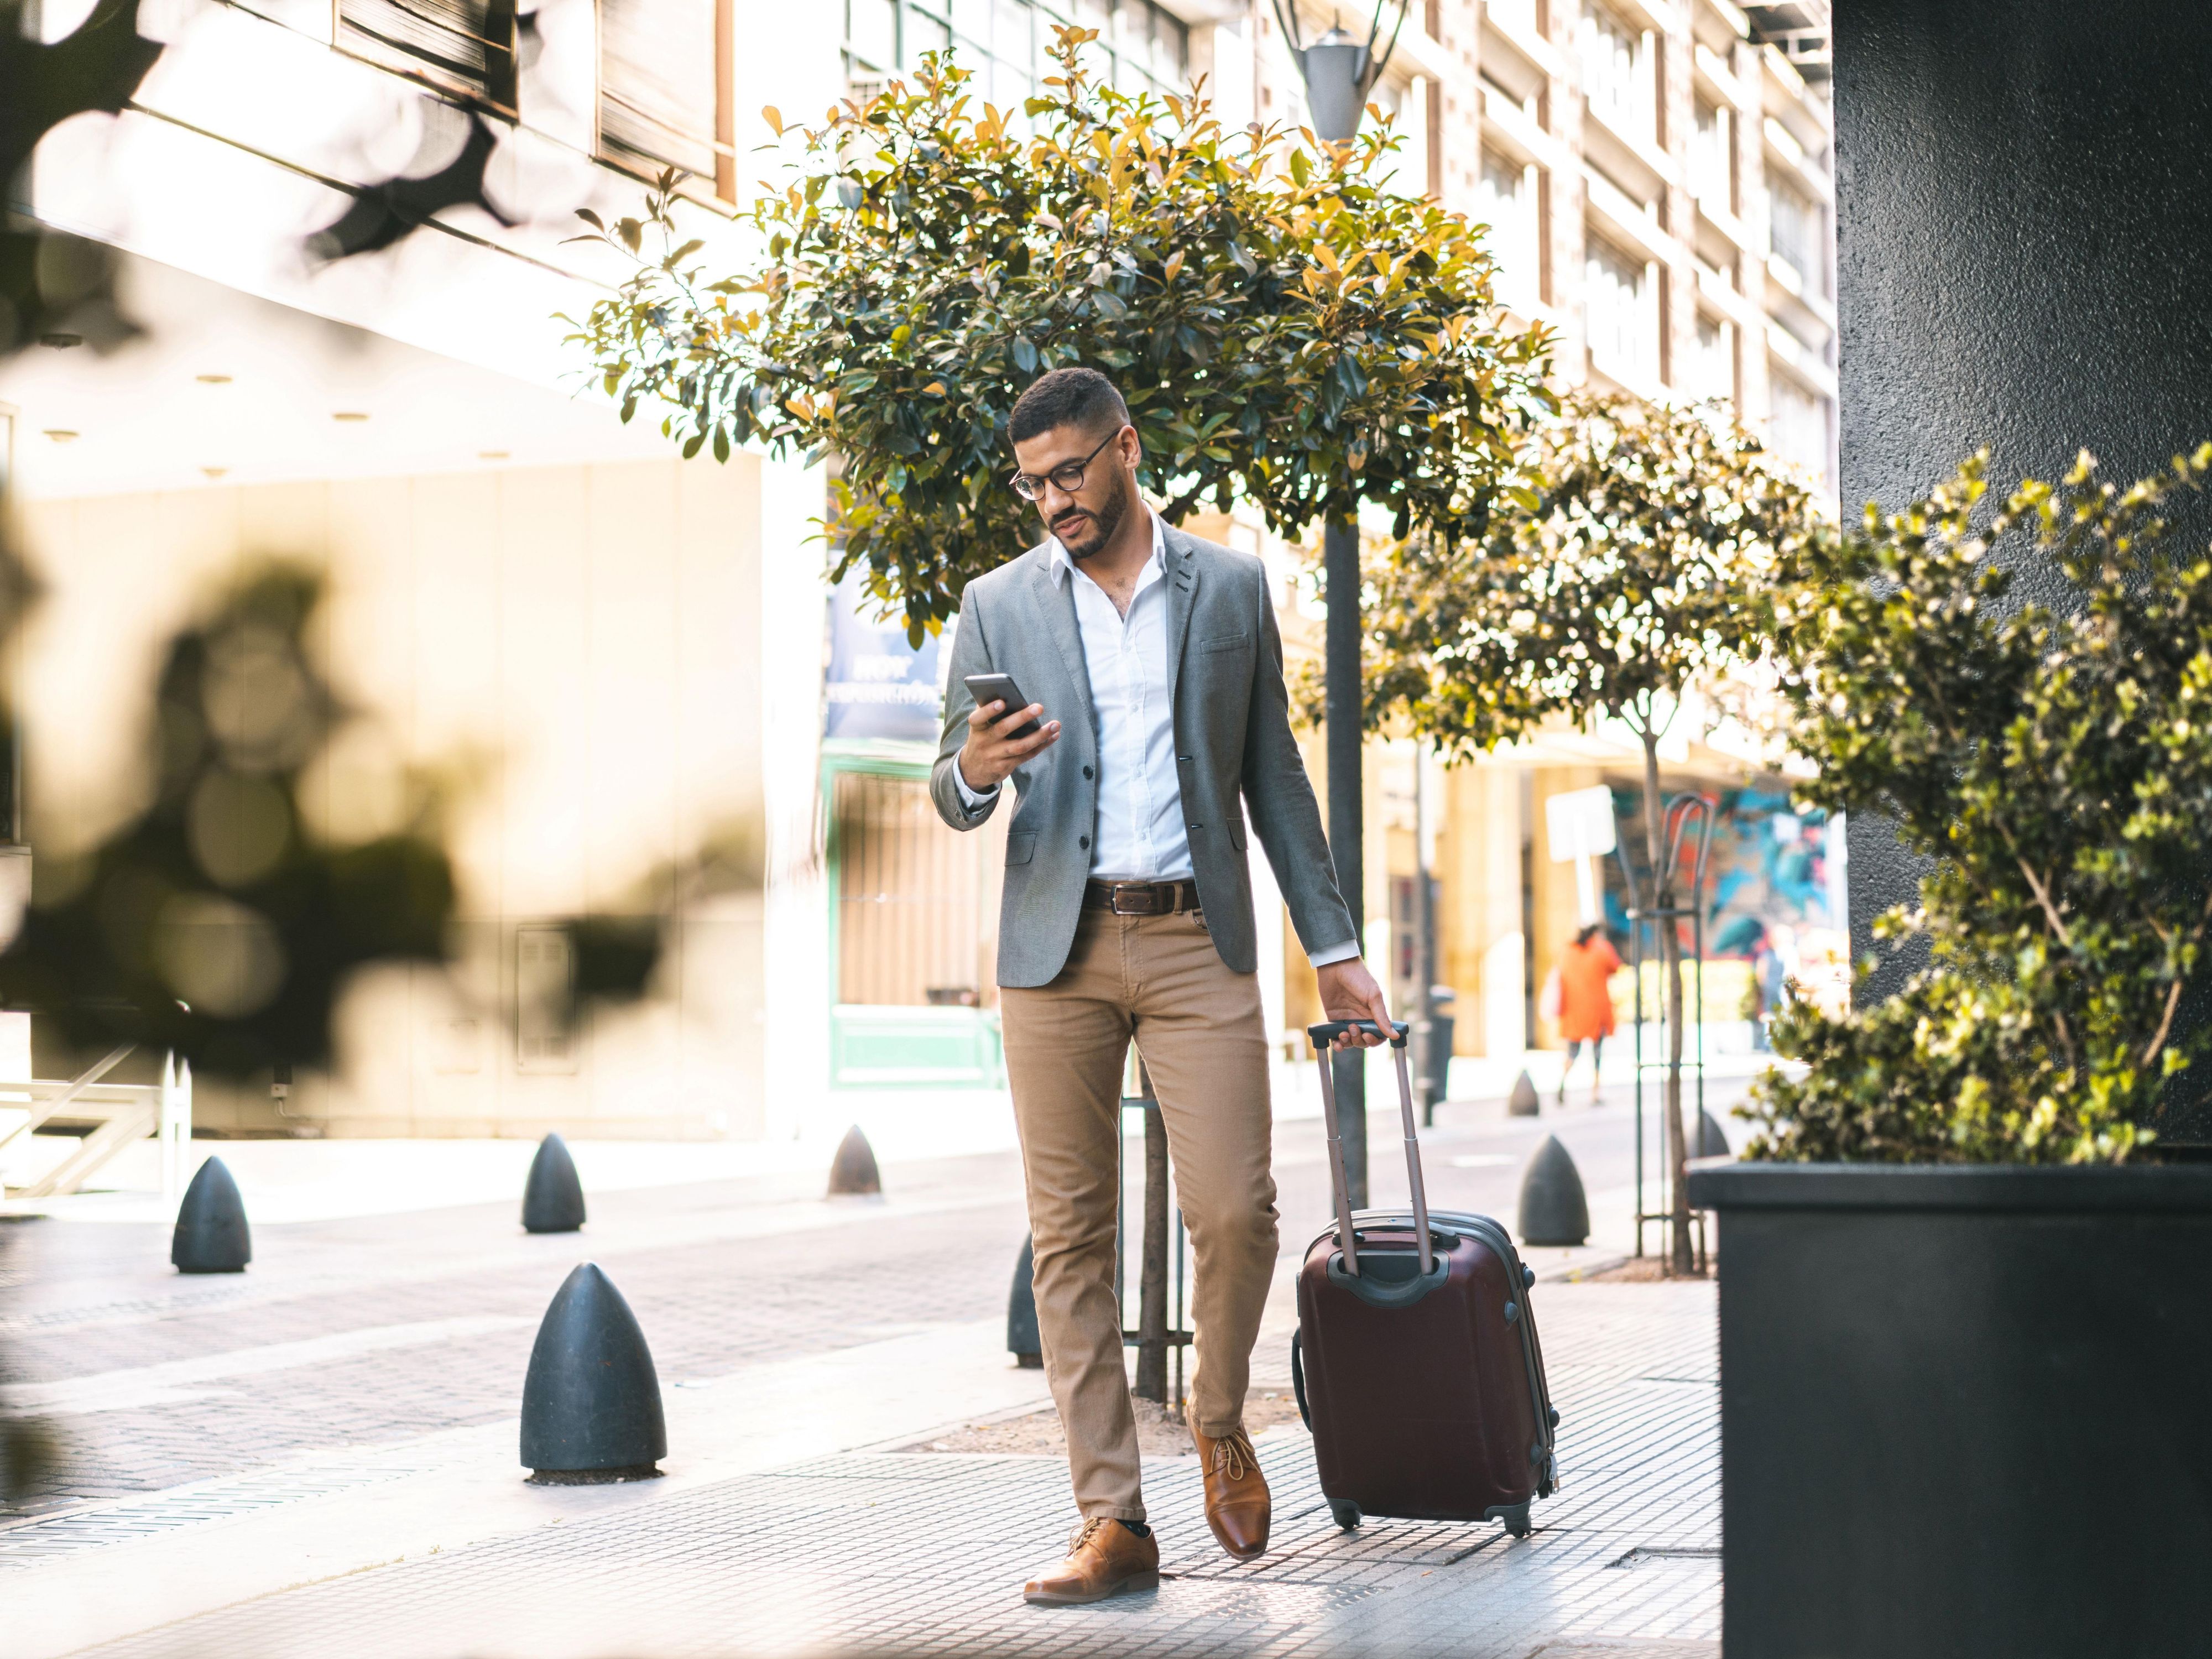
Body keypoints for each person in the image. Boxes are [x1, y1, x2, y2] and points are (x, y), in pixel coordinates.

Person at [933, 367, 1391, 1606]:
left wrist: (1333, 946)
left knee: (1237, 1210)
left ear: (1128, 447)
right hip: (1055, 948)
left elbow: (1276, 782)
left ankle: (1217, 1416)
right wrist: (974, 768)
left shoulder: (1230, 588)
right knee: (1069, 1239)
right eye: (1032, 483)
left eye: (1071, 472)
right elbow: (949, 784)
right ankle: (1112, 1523)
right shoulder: (994, 605)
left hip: (1197, 939)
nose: (1051, 502)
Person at [1554, 922, 1621, 1107]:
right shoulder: (1601, 950)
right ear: (1596, 934)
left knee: (1572, 1053)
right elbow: (1615, 967)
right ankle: (1595, 1093)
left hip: (1573, 1011)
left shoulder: (1568, 951)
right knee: (1597, 1055)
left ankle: (1562, 1082)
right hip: (1597, 1011)